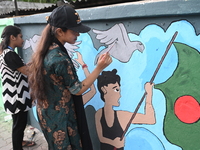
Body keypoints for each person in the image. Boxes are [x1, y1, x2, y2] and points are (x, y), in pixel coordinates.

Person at [28, 5, 112, 150]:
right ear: (60, 31)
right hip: (61, 121)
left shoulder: (47, 49)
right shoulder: (59, 58)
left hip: (48, 115)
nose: (78, 35)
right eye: (74, 31)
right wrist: (99, 68)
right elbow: (78, 89)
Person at [95, 69, 155, 150]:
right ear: (104, 89)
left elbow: (150, 119)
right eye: (116, 90)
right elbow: (101, 138)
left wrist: (149, 94)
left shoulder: (121, 116)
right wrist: (113, 142)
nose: (119, 95)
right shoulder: (99, 114)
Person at [0, 25, 36, 150]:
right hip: (17, 98)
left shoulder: (7, 53)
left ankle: (19, 143)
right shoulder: (10, 55)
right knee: (19, 127)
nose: (22, 40)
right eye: (20, 37)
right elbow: (27, 72)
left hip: (15, 97)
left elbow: (21, 69)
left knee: (18, 126)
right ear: (12, 37)